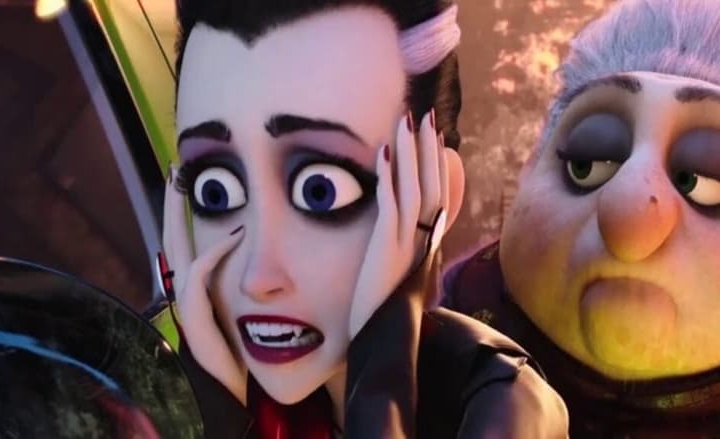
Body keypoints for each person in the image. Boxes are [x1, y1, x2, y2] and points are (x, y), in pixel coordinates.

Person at [148, 0, 569, 438]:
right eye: (214, 192)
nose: (258, 278)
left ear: (435, 194)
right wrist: (210, 410)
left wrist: (381, 373)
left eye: (320, 191)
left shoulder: (502, 404)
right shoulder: (216, 395)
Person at [442, 0, 720, 436]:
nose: (631, 216)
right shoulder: (408, 361)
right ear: (529, 168)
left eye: (702, 179)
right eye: (587, 162)